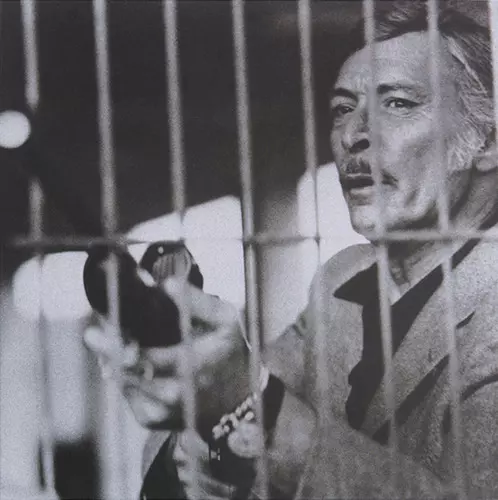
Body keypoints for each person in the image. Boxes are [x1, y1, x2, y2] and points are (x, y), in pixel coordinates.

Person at [85, 1, 498, 498]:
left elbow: (256, 404)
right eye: (342, 108)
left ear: (489, 140)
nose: (353, 135)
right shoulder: (341, 282)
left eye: (398, 103)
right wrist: (192, 383)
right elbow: (227, 417)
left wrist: (250, 405)